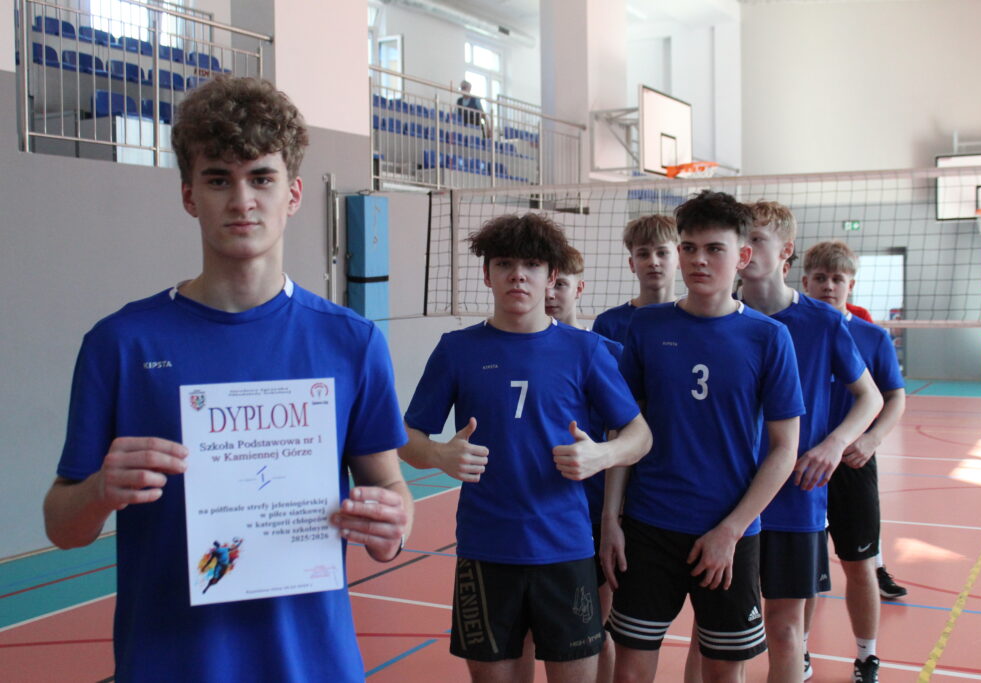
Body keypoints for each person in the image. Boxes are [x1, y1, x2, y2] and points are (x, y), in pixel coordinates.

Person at [42, 77, 412, 683]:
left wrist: (393, 523)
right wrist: (101, 490)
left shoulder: (352, 342)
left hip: (312, 665)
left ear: (293, 194)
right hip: (169, 664)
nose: (242, 200)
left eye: (261, 178)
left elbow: (389, 490)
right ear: (190, 196)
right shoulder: (121, 343)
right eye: (219, 179)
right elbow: (62, 526)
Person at [400, 214, 652, 683]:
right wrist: (438, 456)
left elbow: (640, 435)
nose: (518, 275)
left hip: (565, 547)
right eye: (505, 264)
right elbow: (407, 438)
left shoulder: (585, 350)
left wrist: (601, 455)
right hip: (486, 547)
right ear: (487, 274)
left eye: (532, 265)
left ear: (551, 276)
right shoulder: (457, 349)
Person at [603, 190, 804, 683]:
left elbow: (785, 448)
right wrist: (610, 519)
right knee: (630, 674)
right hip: (649, 525)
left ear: (742, 256)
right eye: (690, 248)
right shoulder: (646, 326)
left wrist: (731, 530)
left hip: (729, 531)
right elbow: (624, 429)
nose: (699, 260)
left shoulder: (768, 337)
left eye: (714, 248)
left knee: (722, 674)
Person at [731, 201, 882, 683]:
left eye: (758, 240)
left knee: (784, 628)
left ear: (786, 251)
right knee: (723, 634)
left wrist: (835, 444)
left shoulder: (822, 321)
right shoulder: (718, 314)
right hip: (727, 493)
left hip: (795, 497)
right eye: (741, 240)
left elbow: (872, 397)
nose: (746, 250)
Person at [801, 240, 908, 681]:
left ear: (851, 285)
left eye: (837, 279)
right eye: (820, 278)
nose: (829, 286)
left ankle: (867, 656)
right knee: (803, 567)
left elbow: (894, 397)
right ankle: (798, 650)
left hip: (852, 464)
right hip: (801, 467)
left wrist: (873, 439)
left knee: (859, 564)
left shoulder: (872, 337)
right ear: (805, 282)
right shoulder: (789, 331)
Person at [545, 245, 620, 683]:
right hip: (540, 515)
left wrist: (615, 514)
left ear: (579, 288)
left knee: (596, 629)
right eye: (547, 283)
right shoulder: (521, 351)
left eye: (561, 284)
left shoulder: (608, 353)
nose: (551, 293)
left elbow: (630, 434)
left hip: (593, 513)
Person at [593, 214, 680, 344]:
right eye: (643, 254)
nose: (653, 262)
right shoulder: (608, 324)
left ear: (679, 259)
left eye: (662, 253)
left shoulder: (694, 318)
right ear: (632, 264)